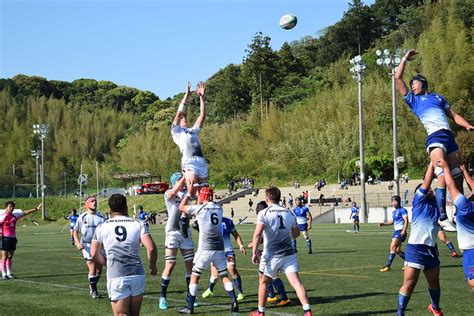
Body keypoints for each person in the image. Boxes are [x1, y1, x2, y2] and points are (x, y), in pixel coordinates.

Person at [395, 49, 474, 233]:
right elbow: (398, 78)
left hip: (448, 136)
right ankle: (442, 217)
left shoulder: (438, 97)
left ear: (423, 84)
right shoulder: (413, 100)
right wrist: (405, 58)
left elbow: (453, 115)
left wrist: (468, 125)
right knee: (441, 168)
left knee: (457, 176)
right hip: (435, 136)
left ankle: (458, 215)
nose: (412, 86)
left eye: (414, 83)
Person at [91, 194, 157, 316]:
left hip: (117, 275)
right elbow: (151, 248)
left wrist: (107, 263)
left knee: (121, 314)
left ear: (109, 209)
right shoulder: (138, 224)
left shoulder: (102, 227)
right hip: (137, 274)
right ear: (126, 207)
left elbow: (94, 253)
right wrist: (153, 266)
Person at [250, 187, 312, 316]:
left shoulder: (264, 213)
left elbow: (257, 234)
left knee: (263, 281)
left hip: (272, 254)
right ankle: (307, 311)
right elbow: (295, 234)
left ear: (267, 199)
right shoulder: (289, 213)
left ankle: (260, 312)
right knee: (296, 282)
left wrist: (254, 252)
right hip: (289, 253)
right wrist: (285, 235)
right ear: (279, 198)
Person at [178, 186, 238, 314]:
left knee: (195, 276)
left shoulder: (200, 208)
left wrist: (188, 195)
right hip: (219, 248)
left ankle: (189, 307)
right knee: (224, 275)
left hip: (205, 248)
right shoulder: (219, 208)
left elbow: (181, 207)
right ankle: (234, 300)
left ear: (203, 196)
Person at [396, 163, 443, 316]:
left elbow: (444, 187)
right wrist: (431, 164)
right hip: (416, 248)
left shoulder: (436, 204)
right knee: (409, 284)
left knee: (434, 282)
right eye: (425, 188)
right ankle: (400, 313)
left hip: (431, 248)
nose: (429, 189)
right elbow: (427, 183)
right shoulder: (418, 202)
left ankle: (435, 307)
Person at [159, 172, 196, 310]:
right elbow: (174, 191)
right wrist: (184, 178)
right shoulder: (169, 192)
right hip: (172, 231)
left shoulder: (186, 193)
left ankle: (191, 296)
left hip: (184, 231)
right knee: (170, 264)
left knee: (189, 266)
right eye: (180, 181)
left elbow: (193, 192)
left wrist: (191, 177)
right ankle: (163, 297)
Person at [437, 160, 474, 291]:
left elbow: (451, 186)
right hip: (469, 250)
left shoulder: (464, 207)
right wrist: (464, 172)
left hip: (471, 250)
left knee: (472, 282)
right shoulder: (465, 206)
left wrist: (446, 168)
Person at [171, 81, 208, 198]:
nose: (184, 118)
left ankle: (200, 214)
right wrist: (186, 96)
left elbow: (202, 115)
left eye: (184, 117)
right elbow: (178, 113)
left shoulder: (193, 131)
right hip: (189, 161)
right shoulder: (176, 132)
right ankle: (184, 214)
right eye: (182, 118)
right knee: (192, 191)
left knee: (203, 192)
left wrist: (201, 97)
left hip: (200, 160)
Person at [201, 216, 247, 301]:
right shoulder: (208, 221)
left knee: (231, 268)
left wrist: (241, 246)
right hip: (215, 252)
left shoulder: (228, 221)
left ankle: (240, 293)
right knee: (215, 276)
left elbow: (236, 235)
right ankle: (210, 289)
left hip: (228, 251)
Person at [73, 196, 106, 299]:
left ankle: (92, 285)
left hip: (99, 245)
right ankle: (94, 291)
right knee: (92, 266)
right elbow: (75, 231)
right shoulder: (82, 217)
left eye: (95, 201)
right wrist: (77, 243)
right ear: (87, 204)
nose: (94, 203)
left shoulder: (101, 217)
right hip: (87, 245)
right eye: (92, 201)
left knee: (99, 269)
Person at [0, 201, 42, 279]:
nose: (12, 208)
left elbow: (25, 212)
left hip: (12, 238)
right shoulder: (2, 217)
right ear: (6, 207)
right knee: (4, 257)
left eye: (13, 207)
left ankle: (9, 273)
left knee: (10, 256)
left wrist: (36, 209)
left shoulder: (15, 215)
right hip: (4, 238)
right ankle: (3, 274)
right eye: (10, 207)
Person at [379, 195, 409, 272]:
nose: (393, 203)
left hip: (400, 231)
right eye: (392, 201)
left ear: (398, 202)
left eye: (395, 201)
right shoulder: (394, 212)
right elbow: (392, 222)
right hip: (396, 231)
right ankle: (410, 262)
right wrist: (384, 224)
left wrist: (403, 230)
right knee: (397, 250)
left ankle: (387, 266)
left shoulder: (403, 210)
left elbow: (406, 221)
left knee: (392, 247)